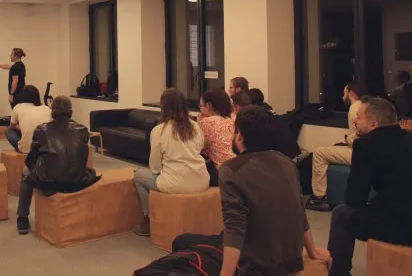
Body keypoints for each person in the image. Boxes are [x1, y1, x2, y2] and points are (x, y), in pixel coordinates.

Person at [173, 106, 330, 275]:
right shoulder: (286, 162)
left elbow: (235, 228)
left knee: (181, 242)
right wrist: (312, 252)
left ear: (240, 136)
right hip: (292, 261)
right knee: (218, 237)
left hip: (255, 266)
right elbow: (300, 212)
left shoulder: (231, 170)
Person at [327, 96, 412, 276]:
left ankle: (337, 272)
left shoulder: (365, 145)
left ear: (373, 124)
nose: (354, 121)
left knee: (341, 214)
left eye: (358, 117)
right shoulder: (408, 138)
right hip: (403, 212)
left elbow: (355, 199)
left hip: (402, 226)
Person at [133, 88, 210, 237]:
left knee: (138, 176)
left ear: (163, 108)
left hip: (175, 183)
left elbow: (154, 167)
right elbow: (200, 148)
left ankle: (149, 219)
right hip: (202, 180)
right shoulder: (195, 126)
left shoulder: (159, 130)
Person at [16, 96, 98, 235]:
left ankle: (22, 218)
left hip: (50, 184)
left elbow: (30, 161)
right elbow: (81, 158)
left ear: (52, 112)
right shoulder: (83, 130)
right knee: (91, 170)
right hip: (78, 182)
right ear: (71, 112)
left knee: (25, 172)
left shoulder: (42, 130)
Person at [307, 82, 367, 211]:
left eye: (344, 91)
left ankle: (319, 197)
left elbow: (360, 135)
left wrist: (349, 139)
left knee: (319, 152)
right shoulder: (365, 106)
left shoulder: (355, 108)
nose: (342, 94)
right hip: (361, 150)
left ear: (351, 93)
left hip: (358, 152)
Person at [198, 89, 236, 186]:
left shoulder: (207, 122)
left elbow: (199, 147)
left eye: (201, 106)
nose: (200, 110)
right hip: (238, 167)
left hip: (220, 171)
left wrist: (198, 123)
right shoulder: (234, 117)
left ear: (208, 105)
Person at [6, 85, 51, 153]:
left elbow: (12, 126)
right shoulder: (47, 109)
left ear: (23, 96)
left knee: (9, 130)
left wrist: (21, 128)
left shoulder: (18, 107)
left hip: (26, 149)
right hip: (45, 149)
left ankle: (23, 143)